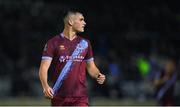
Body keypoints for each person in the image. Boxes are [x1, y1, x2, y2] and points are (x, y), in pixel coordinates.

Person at [39, 9, 106, 106]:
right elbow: (43, 68)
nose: (84, 23)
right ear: (70, 22)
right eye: (81, 20)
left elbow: (91, 67)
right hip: (58, 96)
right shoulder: (53, 43)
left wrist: (98, 75)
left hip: (80, 97)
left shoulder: (85, 43)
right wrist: (45, 86)